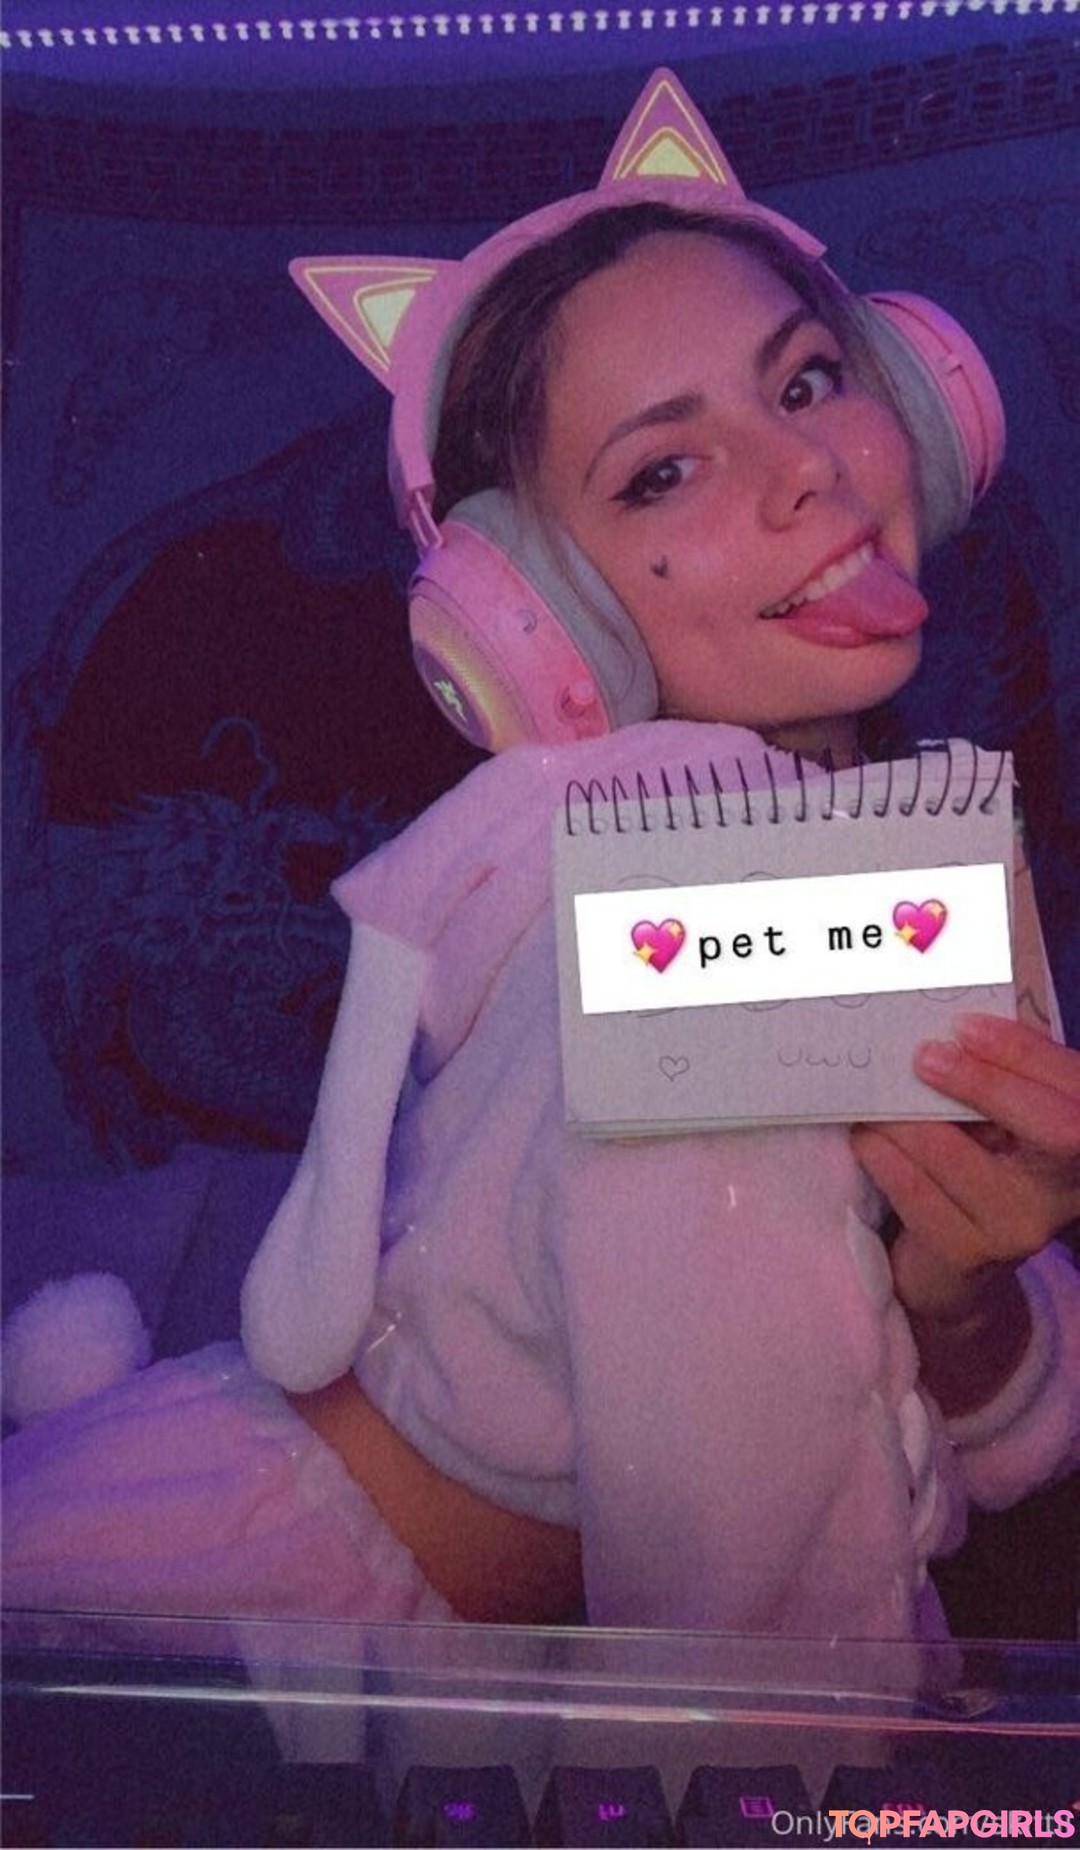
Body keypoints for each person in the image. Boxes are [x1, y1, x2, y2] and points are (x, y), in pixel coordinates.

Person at [4, 69, 1078, 1644]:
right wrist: (889, 1761)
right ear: (531, 617)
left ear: (916, 401)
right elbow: (763, 1623)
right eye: (662, 470)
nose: (808, 469)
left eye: (805, 381)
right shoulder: (681, 896)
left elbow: (926, 1400)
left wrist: (962, 1292)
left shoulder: (857, 849)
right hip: (217, 1615)